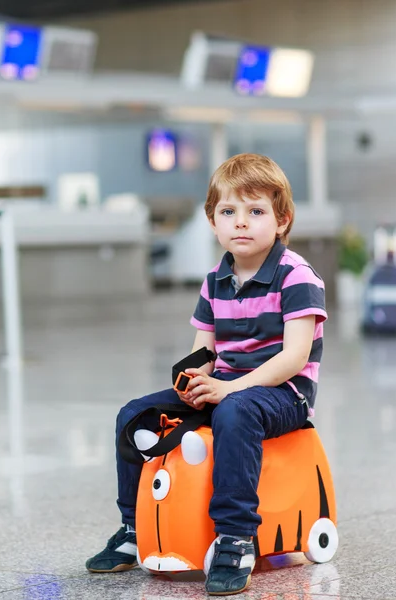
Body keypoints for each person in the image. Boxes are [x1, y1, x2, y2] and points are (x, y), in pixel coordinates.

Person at [86, 153, 327, 596]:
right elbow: (204, 350)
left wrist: (228, 388)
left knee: (235, 411)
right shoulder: (215, 278)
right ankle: (134, 528)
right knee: (134, 413)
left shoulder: (296, 276)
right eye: (228, 212)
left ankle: (236, 537)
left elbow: (294, 358)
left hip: (285, 394)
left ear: (282, 220)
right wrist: (195, 381)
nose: (240, 223)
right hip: (230, 385)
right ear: (212, 221)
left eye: (255, 212)